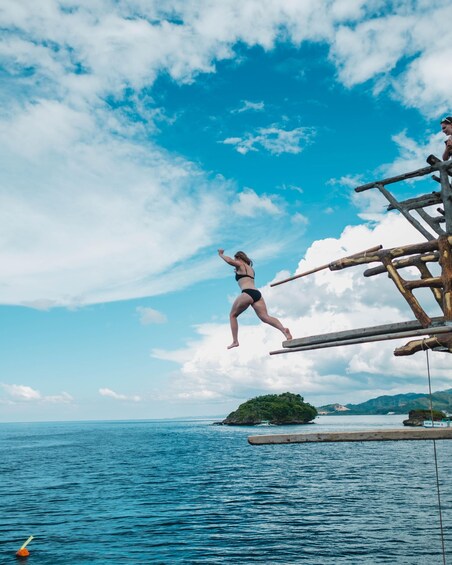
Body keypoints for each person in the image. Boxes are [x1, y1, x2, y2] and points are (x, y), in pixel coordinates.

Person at [218, 249, 292, 349]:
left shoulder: (239, 263)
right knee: (265, 317)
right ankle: (283, 330)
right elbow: (244, 276)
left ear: (239, 258)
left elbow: (229, 261)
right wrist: (237, 271)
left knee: (232, 315)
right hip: (257, 294)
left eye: (236, 259)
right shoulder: (251, 269)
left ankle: (235, 341)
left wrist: (221, 254)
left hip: (247, 293)